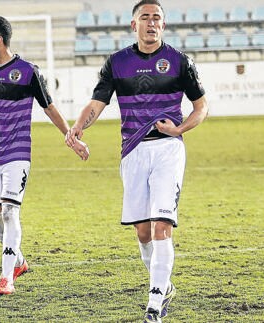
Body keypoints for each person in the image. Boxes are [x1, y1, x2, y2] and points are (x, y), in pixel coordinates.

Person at [65, 1, 208, 322]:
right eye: (145, 17)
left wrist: (181, 128)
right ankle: (164, 284)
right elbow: (97, 103)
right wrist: (77, 126)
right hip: (132, 151)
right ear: (134, 25)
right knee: (143, 232)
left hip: (168, 149)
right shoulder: (117, 63)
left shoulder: (180, 61)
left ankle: (154, 304)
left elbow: (201, 106)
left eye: (157, 18)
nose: (151, 23)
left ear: (164, 25)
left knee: (162, 226)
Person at [0, 16, 88, 295]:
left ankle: (7, 278)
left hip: (17, 152)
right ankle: (19, 261)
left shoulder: (27, 71)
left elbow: (49, 106)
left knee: (9, 210)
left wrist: (69, 135)